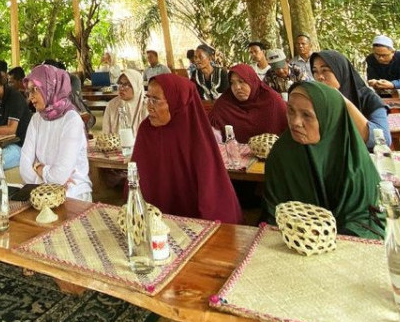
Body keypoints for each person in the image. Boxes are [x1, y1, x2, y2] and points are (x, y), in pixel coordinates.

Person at [264, 82, 383, 239]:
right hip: (294, 239)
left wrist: (328, 238)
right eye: (291, 111)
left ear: (329, 117)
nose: (295, 122)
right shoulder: (282, 153)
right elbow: (274, 211)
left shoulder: (353, 162)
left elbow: (364, 219)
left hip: (349, 240)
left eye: (306, 115)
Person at [131, 74, 242, 223]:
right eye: (147, 98)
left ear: (177, 102)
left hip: (195, 219)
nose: (149, 106)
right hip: (155, 218)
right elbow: (136, 178)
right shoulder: (147, 130)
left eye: (155, 100)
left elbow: (212, 193)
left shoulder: (196, 134)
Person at [20, 65, 92, 201]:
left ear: (51, 87)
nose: (31, 98)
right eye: (28, 92)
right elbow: (24, 168)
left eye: (34, 90)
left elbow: (59, 176)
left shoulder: (71, 120)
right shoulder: (36, 119)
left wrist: (38, 167)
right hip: (41, 192)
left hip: (73, 192)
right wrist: (46, 184)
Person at [310, 50, 390, 149]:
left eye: (325, 70)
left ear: (341, 70)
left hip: (364, 159)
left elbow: (384, 139)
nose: (319, 77)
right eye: (315, 71)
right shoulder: (315, 100)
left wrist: (342, 101)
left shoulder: (369, 98)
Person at [208, 64, 288, 143]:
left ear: (252, 81)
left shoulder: (272, 100)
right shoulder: (225, 103)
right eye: (232, 83)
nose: (237, 87)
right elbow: (209, 132)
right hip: (233, 154)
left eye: (241, 81)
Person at [103, 69, 147, 135]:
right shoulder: (112, 105)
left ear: (136, 87)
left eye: (126, 84)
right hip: (117, 145)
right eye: (120, 83)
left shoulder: (147, 106)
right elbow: (105, 134)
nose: (121, 88)